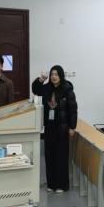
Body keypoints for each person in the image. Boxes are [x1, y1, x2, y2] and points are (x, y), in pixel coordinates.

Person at [32, 65, 77, 193]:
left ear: (61, 76)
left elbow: (73, 109)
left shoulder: (67, 89)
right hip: (50, 127)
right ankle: (51, 184)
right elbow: (36, 90)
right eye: (52, 74)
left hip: (62, 127)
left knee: (61, 156)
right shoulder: (47, 88)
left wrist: (72, 127)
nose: (54, 77)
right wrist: (41, 79)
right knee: (49, 155)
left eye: (56, 74)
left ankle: (61, 185)